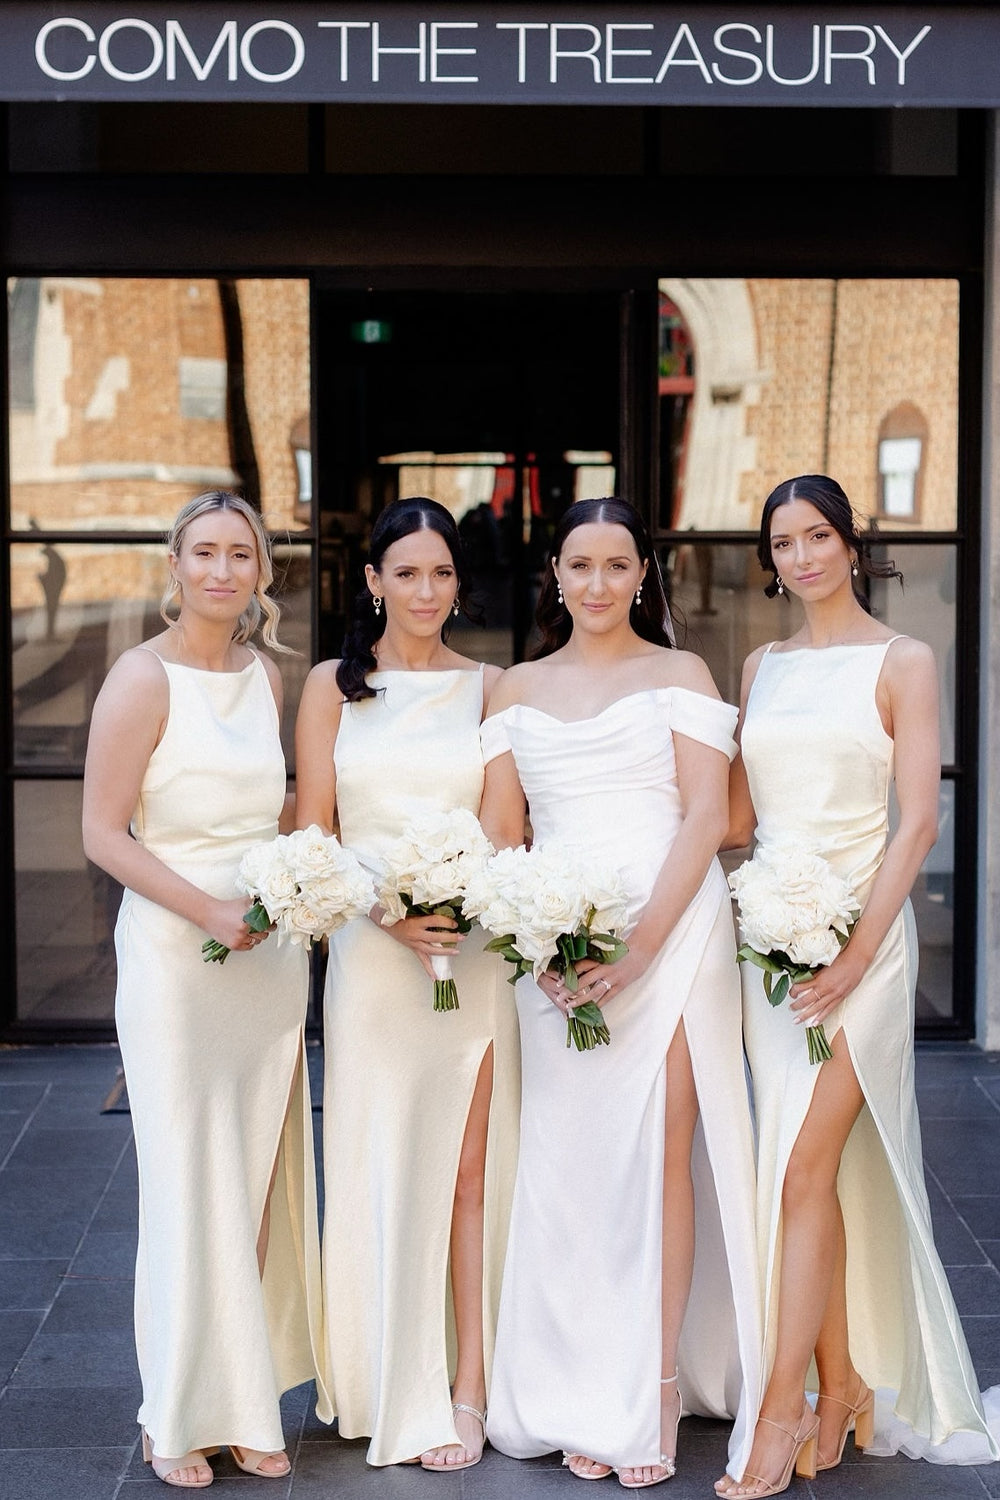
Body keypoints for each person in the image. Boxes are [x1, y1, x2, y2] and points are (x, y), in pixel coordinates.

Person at [717, 475, 1000, 1498]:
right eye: (783, 541)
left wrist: (849, 956)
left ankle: (781, 1412)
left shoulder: (904, 660)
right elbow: (739, 815)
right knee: (809, 1177)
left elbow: (916, 822)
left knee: (801, 1169)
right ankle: (841, 1389)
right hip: (769, 945)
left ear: (851, 542)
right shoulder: (761, 662)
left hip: (862, 943)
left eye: (818, 536)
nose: (800, 557)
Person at [479, 497, 762, 1488]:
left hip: (671, 938)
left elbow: (705, 819)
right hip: (555, 957)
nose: (596, 584)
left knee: (661, 1158)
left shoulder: (678, 673)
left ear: (641, 574)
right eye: (578, 564)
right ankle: (565, 1382)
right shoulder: (512, 687)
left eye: (615, 565)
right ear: (552, 575)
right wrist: (536, 939)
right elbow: (500, 834)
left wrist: (641, 946)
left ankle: (653, 1385)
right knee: (569, 1167)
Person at [82, 491, 328, 1488]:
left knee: (255, 1177)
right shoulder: (141, 680)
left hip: (265, 957)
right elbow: (102, 834)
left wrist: (288, 886)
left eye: (242, 554)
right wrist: (209, 911)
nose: (223, 570)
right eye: (205, 553)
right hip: (177, 960)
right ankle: (174, 1411)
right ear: (174, 566)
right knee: (190, 1182)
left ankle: (245, 1402)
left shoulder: (265, 676)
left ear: (262, 571)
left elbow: (266, 811)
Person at [294, 496, 519, 1470]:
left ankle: (468, 1385)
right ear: (374, 581)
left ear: (456, 583)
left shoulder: (494, 688)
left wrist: (462, 909)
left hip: (470, 962)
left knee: (471, 1174)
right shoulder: (329, 690)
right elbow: (313, 828)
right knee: (380, 1161)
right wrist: (387, 911)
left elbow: (508, 832)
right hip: (371, 961)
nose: (426, 592)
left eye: (441, 574)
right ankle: (389, 1377)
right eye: (407, 573)